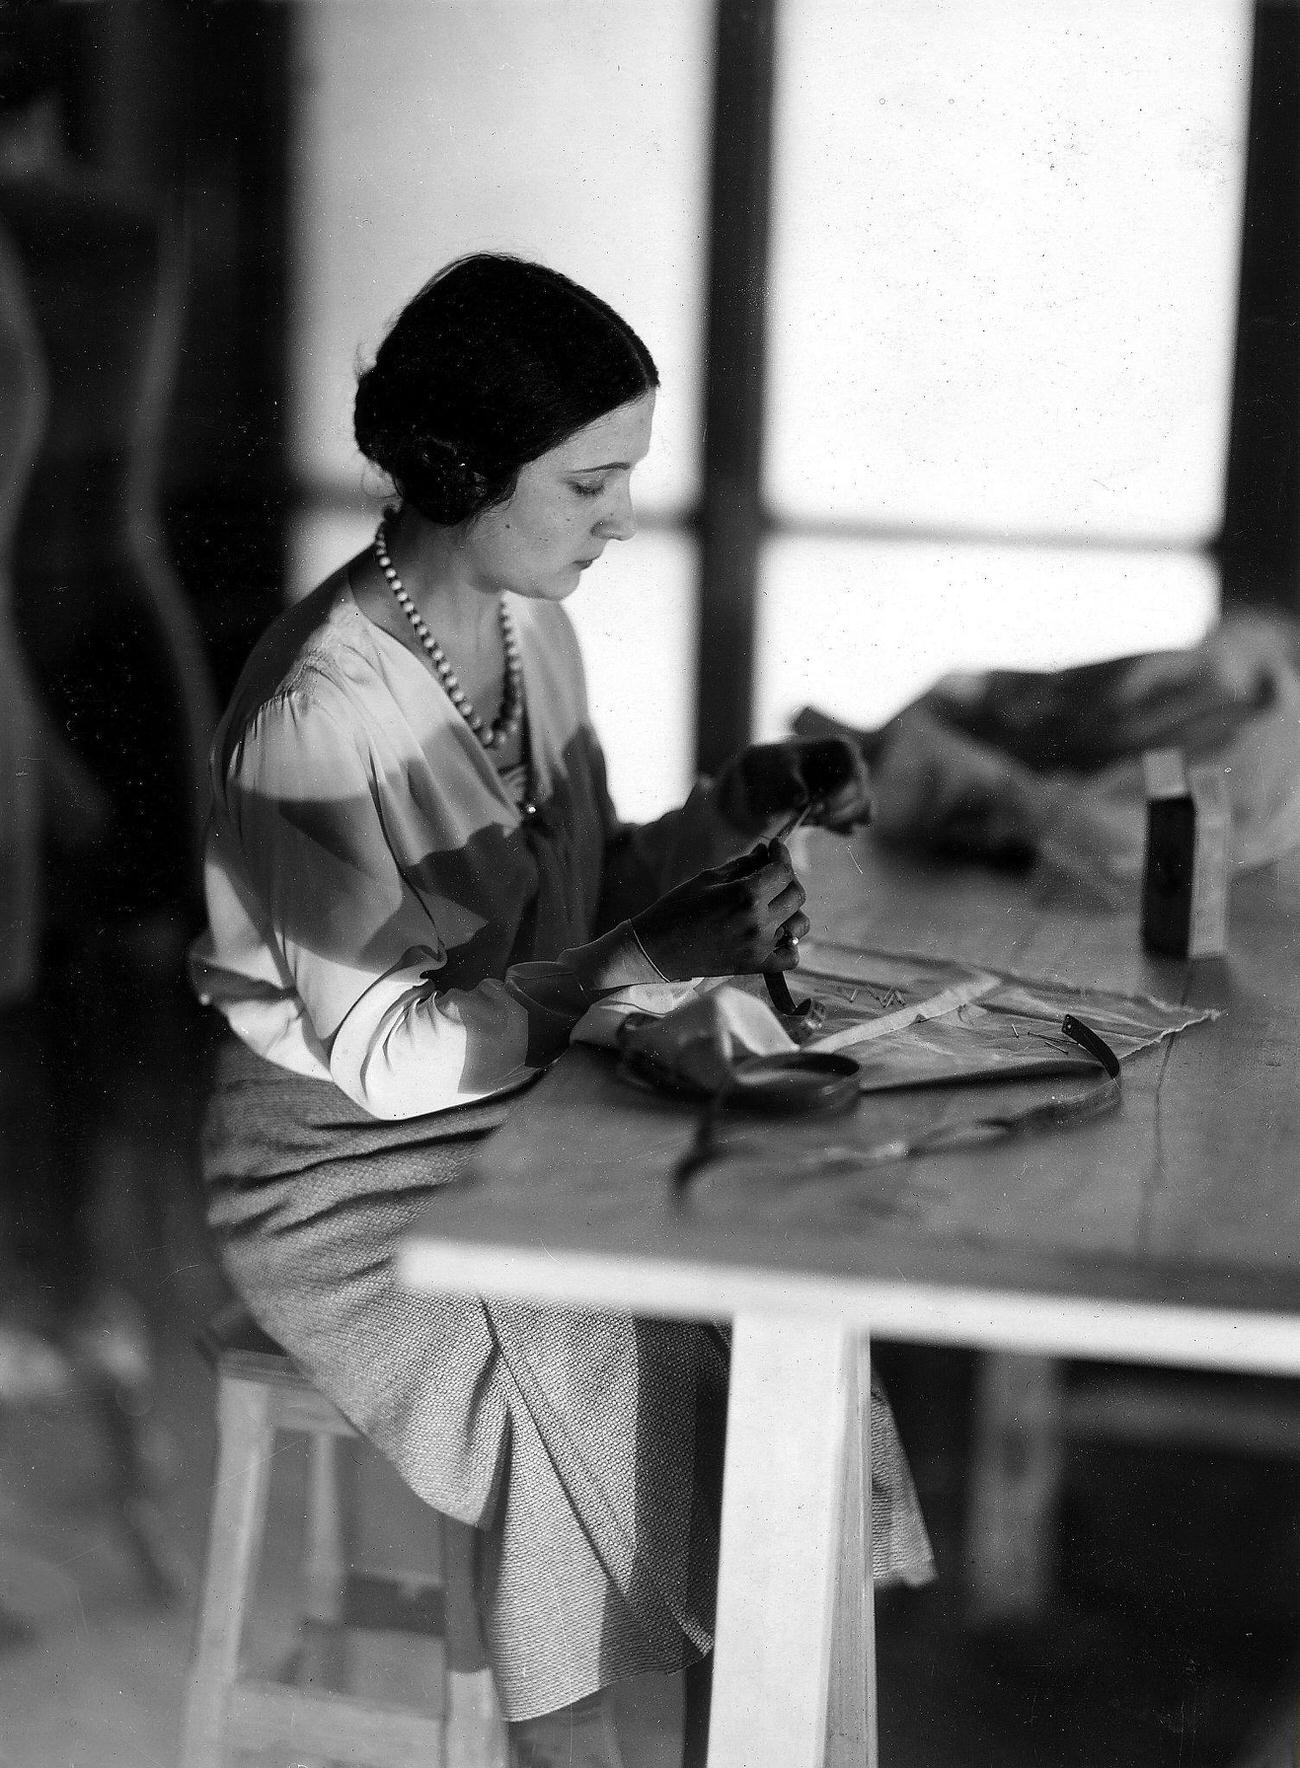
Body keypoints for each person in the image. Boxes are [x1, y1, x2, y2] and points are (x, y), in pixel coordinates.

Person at [190, 253, 931, 1767]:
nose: (623, 519)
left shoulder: (539, 633)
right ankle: (590, 1751)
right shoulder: (322, 713)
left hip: (507, 1099)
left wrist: (737, 812)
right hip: (339, 1164)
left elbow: (586, 895)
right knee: (594, 1341)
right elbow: (392, 1052)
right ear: (465, 471)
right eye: (592, 484)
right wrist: (631, 970)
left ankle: (773, 1720)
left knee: (771, 1283)